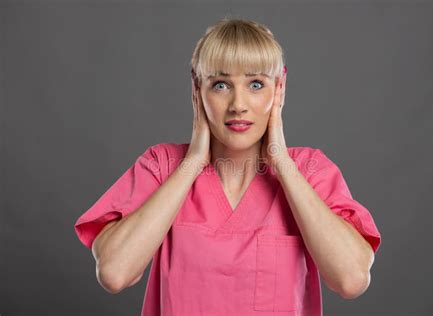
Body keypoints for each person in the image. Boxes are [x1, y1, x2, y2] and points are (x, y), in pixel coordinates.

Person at [74, 17, 382, 316]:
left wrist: (281, 162)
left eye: (256, 84)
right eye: (221, 85)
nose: (238, 104)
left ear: (280, 87)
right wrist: (193, 162)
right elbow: (114, 273)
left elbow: (352, 280)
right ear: (197, 89)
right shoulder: (162, 166)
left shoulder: (311, 171)